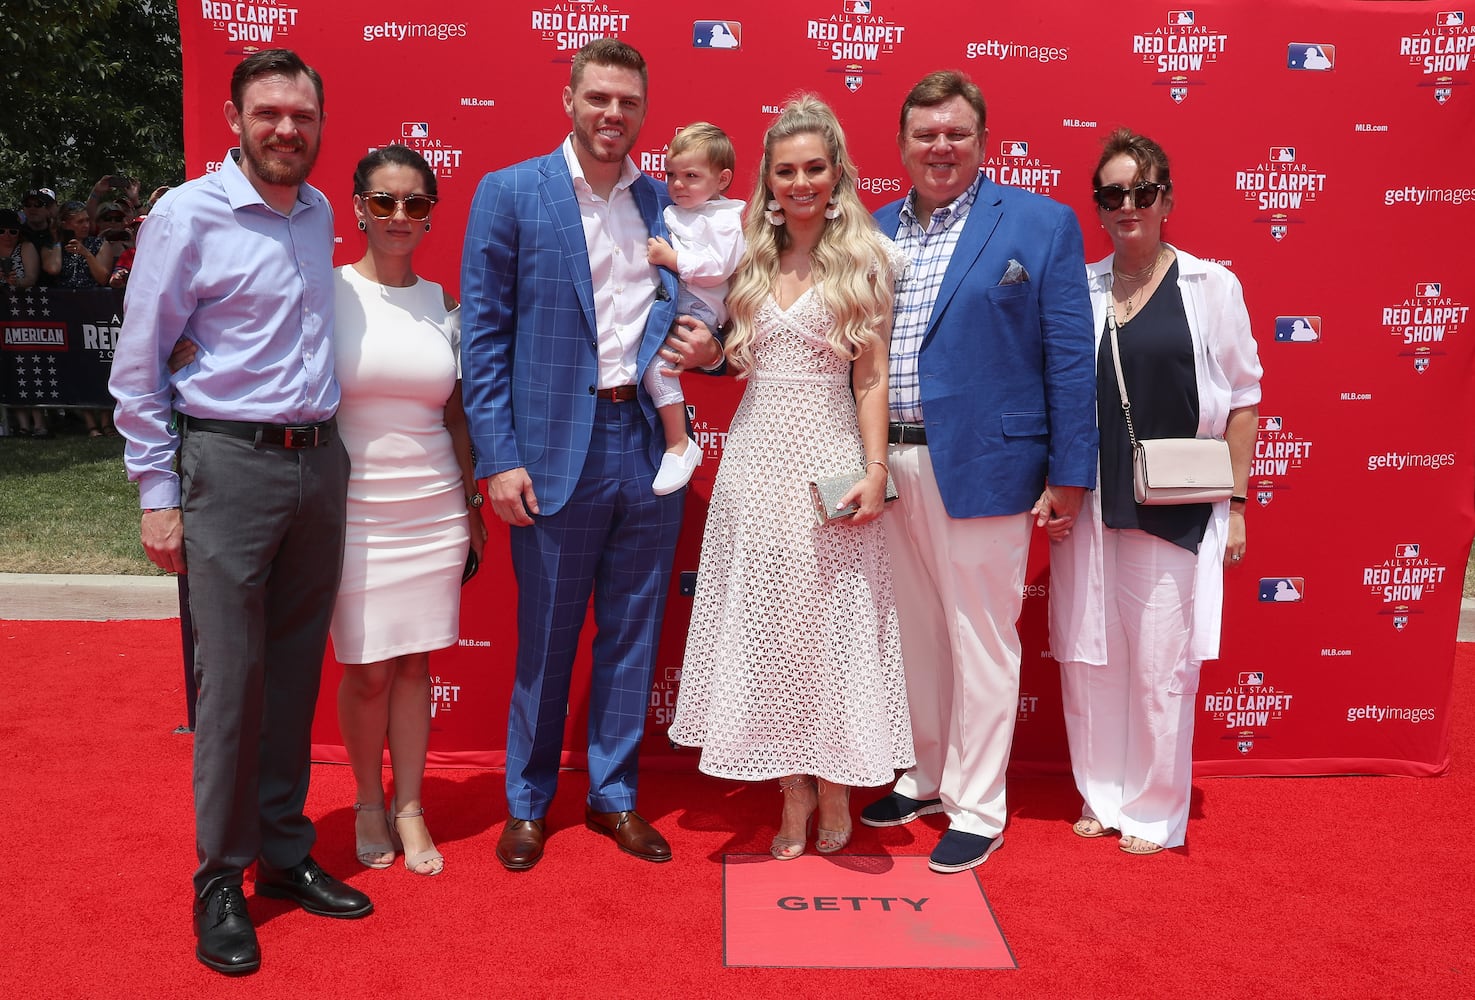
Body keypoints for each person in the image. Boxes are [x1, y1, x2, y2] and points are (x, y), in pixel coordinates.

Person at [108, 49, 370, 976]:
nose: (286, 130)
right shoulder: (187, 214)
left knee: (295, 676)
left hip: (317, 465)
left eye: (302, 115)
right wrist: (157, 495)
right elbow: (139, 367)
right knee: (229, 689)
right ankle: (220, 878)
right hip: (227, 466)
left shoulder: (318, 211)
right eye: (268, 114)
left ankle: (286, 856)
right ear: (234, 118)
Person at [460, 38, 723, 872]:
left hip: (646, 441)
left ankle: (614, 796)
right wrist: (497, 456)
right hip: (549, 452)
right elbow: (485, 336)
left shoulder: (666, 204)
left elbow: (712, 305)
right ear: (569, 99)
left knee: (633, 634)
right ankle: (529, 802)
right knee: (544, 637)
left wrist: (710, 348)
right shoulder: (510, 194)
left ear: (644, 112)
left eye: (629, 102)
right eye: (599, 97)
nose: (614, 114)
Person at [860, 70, 1098, 874]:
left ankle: (977, 805)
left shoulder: (1041, 223)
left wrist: (1069, 472)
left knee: (981, 638)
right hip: (884, 461)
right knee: (917, 634)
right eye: (925, 134)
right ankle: (926, 775)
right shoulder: (871, 227)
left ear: (982, 141)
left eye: (956, 133)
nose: (940, 147)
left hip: (989, 465)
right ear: (900, 147)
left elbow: (1069, 359)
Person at [669, 96, 913, 860]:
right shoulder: (747, 257)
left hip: (828, 463)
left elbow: (870, 381)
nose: (800, 182)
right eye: (785, 171)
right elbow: (735, 359)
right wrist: (707, 357)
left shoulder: (867, 259)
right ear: (766, 182)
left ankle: (836, 781)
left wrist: (875, 470)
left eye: (814, 167)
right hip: (752, 464)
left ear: (835, 172)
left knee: (830, 631)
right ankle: (792, 791)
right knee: (770, 633)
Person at [1048, 128, 1262, 856]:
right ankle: (1101, 793)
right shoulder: (1077, 287)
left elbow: (1242, 398)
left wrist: (1233, 504)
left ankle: (1154, 810)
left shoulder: (1211, 286)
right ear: (1098, 206)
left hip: (1174, 507)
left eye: (1141, 191)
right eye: (1112, 194)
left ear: (1165, 200)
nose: (1127, 204)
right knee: (1091, 657)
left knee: (1160, 664)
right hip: (1091, 503)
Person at [332, 144, 487, 878]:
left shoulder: (444, 305)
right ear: (358, 206)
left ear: (430, 214)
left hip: (431, 509)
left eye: (415, 204)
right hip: (353, 510)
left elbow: (456, 416)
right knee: (366, 670)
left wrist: (471, 502)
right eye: (384, 202)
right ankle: (367, 799)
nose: (399, 216)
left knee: (416, 664)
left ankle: (410, 807)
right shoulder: (325, 293)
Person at [644, 121, 745, 494]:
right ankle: (675, 442)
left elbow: (718, 267)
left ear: (722, 180)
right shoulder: (674, 210)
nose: (678, 184)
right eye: (671, 174)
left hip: (699, 311)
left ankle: (679, 443)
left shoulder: (724, 219)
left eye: (691, 175)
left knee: (657, 367)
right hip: (672, 303)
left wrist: (673, 259)